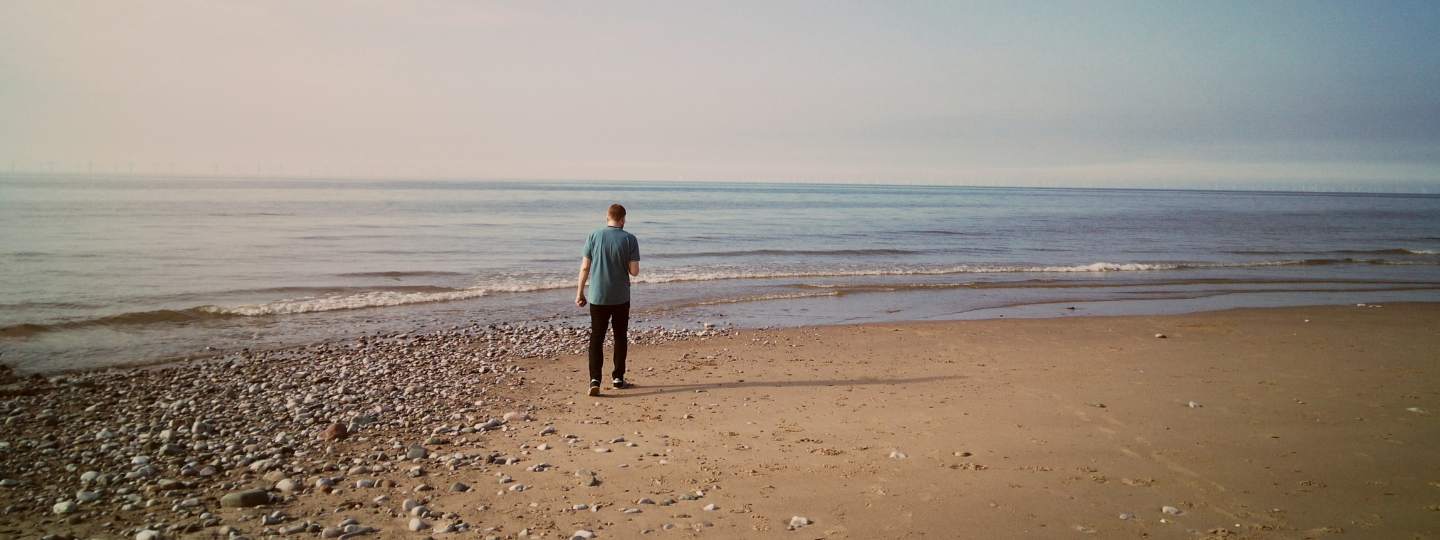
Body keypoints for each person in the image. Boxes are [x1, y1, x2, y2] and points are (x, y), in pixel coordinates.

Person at [576, 203, 640, 396]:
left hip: (598, 296)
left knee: (597, 337)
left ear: (607, 217)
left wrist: (579, 293)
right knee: (620, 336)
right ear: (623, 219)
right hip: (620, 296)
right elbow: (634, 272)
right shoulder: (630, 239)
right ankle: (618, 378)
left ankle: (594, 379)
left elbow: (585, 267)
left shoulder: (594, 236)